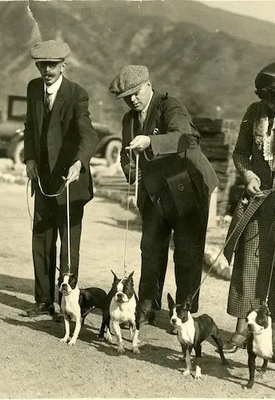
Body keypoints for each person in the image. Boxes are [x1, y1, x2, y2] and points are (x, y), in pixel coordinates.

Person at [109, 65, 218, 330]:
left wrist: (150, 142)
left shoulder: (171, 107)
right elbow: (126, 153)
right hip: (155, 194)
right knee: (151, 248)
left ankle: (184, 313)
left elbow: (184, 137)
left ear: (148, 85)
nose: (132, 99)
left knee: (187, 254)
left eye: (136, 93)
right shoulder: (129, 120)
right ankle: (147, 306)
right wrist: (129, 169)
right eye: (127, 97)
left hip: (188, 188)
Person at [23, 40, 98, 317]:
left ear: (63, 65)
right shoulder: (33, 89)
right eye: (42, 65)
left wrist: (79, 162)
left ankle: (68, 302)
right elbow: (30, 126)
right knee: (41, 240)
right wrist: (29, 158)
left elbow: (88, 134)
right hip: (43, 180)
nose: (47, 70)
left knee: (68, 244)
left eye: (52, 65)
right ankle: (43, 300)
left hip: (70, 181)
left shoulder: (77, 95)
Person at [223, 61, 275, 352]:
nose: (270, 106)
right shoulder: (254, 113)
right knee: (248, 262)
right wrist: (248, 174)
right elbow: (240, 153)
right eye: (266, 100)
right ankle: (242, 329)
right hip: (258, 201)